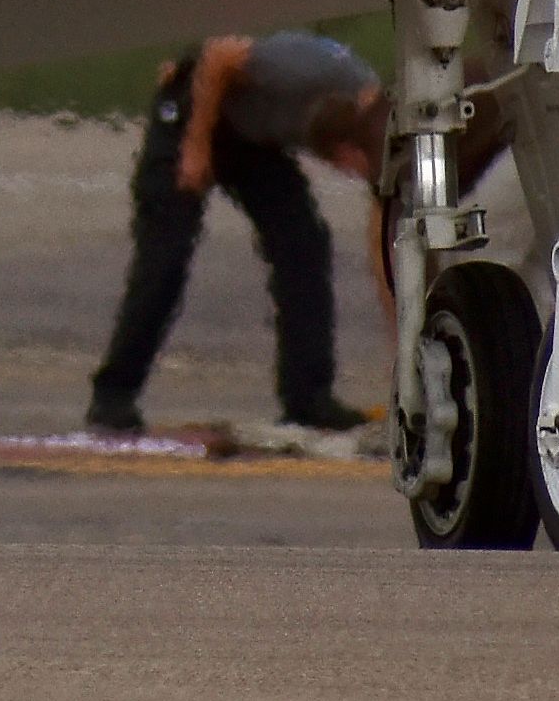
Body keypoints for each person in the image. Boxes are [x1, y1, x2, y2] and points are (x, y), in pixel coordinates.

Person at [84, 26, 387, 435]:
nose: (349, 172)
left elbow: (382, 216)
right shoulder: (300, 71)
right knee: (166, 254)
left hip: (252, 138)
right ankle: (113, 396)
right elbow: (218, 56)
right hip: (196, 109)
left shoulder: (376, 120)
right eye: (345, 163)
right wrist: (196, 147)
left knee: (304, 245)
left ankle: (308, 399)